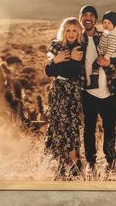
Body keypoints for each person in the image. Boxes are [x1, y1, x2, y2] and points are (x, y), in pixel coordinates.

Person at [75, 5, 116, 172]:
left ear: (95, 19)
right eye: (85, 15)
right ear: (81, 18)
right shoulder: (77, 39)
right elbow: (58, 42)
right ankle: (91, 162)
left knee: (109, 128)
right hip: (88, 92)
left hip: (108, 91)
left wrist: (110, 62)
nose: (88, 18)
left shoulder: (104, 36)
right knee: (89, 129)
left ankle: (110, 162)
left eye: (91, 15)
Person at [45, 17, 85, 178]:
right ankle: (61, 164)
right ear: (64, 31)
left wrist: (57, 61)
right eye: (68, 30)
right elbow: (48, 72)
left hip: (71, 92)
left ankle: (75, 162)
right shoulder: (59, 47)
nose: (71, 33)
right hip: (57, 91)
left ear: (79, 32)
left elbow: (72, 72)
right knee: (57, 125)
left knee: (69, 126)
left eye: (74, 30)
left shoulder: (80, 48)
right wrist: (56, 60)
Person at [87, 10, 116, 89]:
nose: (106, 25)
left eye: (109, 23)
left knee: (96, 65)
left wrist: (108, 59)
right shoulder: (106, 33)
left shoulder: (109, 35)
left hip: (107, 56)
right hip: (87, 94)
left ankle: (94, 83)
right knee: (110, 70)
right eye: (104, 22)